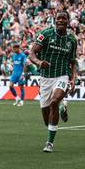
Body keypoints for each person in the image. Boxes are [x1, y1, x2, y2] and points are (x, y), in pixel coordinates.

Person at [28, 10, 78, 153]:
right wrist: (38, 62)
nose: (60, 21)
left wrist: (73, 78)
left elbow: (73, 61)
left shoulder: (72, 40)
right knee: (46, 119)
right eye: (58, 18)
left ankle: (49, 143)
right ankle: (62, 108)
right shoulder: (46, 34)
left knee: (54, 101)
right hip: (45, 78)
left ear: (68, 22)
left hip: (62, 75)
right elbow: (32, 53)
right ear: (54, 20)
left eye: (63, 18)